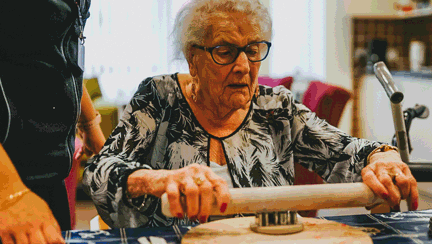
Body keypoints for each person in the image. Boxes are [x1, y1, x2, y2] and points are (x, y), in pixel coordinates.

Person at [82, 0, 418, 228]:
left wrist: (381, 158)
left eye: (253, 50)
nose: (244, 66)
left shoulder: (276, 108)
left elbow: (346, 151)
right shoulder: (159, 97)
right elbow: (100, 172)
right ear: (192, 58)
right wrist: (158, 180)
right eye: (225, 52)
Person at [0, 0, 105, 242]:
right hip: (10, 175)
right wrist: (8, 193)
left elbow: (60, 59)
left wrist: (90, 125)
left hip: (50, 174)